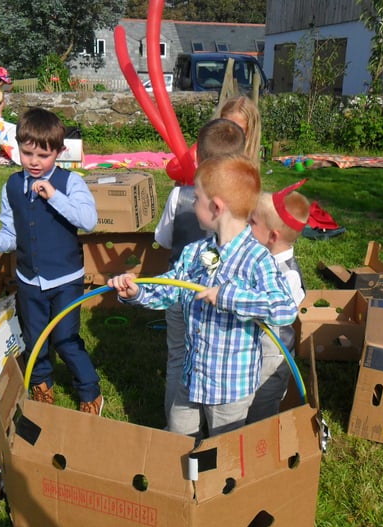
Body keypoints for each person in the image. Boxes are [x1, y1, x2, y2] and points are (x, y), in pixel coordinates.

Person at [108, 155, 297, 437]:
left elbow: (285, 308)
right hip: (193, 376)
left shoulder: (257, 260)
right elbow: (172, 287)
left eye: (196, 198)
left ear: (216, 207)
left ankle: (215, 466)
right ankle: (186, 465)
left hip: (230, 388)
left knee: (222, 448)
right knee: (179, 434)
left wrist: (228, 297)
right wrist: (137, 292)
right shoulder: (195, 252)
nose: (193, 203)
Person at [0, 107, 103, 415]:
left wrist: (54, 196)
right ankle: (41, 383)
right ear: (17, 149)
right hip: (28, 280)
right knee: (34, 338)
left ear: (59, 152)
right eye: (27, 154)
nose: (35, 162)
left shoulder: (70, 182)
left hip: (65, 279)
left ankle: (90, 391)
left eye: (43, 155)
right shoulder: (12, 186)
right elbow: (11, 235)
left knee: (65, 338)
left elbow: (89, 221)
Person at [153, 117, 246, 423]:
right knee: (218, 362)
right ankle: (196, 428)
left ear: (199, 156)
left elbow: (163, 240)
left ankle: (180, 428)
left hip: (184, 295)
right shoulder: (247, 203)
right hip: (217, 297)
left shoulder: (180, 195)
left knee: (179, 359)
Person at [245, 185, 310, 423]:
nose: (246, 226)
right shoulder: (261, 259)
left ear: (273, 236)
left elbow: (269, 311)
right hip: (255, 351)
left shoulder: (287, 275)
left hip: (272, 358)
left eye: (252, 222)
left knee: (260, 412)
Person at [213, 95, 262, 166]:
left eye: (238, 130)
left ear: (249, 133)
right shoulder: (200, 156)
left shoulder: (246, 167)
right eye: (225, 126)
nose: (230, 133)